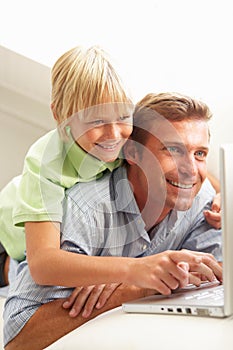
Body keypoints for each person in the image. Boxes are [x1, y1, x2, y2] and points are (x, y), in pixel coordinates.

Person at [3, 92, 222, 350]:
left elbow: (215, 275)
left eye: (199, 153)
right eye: (173, 150)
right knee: (15, 263)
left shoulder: (204, 202)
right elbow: (18, 340)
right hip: (8, 234)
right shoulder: (85, 208)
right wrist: (135, 287)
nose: (190, 170)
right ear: (133, 153)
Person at [0, 44, 134, 287]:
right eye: (97, 120)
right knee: (16, 269)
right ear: (61, 117)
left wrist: (221, 195)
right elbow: (42, 265)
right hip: (7, 236)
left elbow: (185, 163)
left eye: (123, 116)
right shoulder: (45, 162)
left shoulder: (131, 137)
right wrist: (131, 271)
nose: (114, 133)